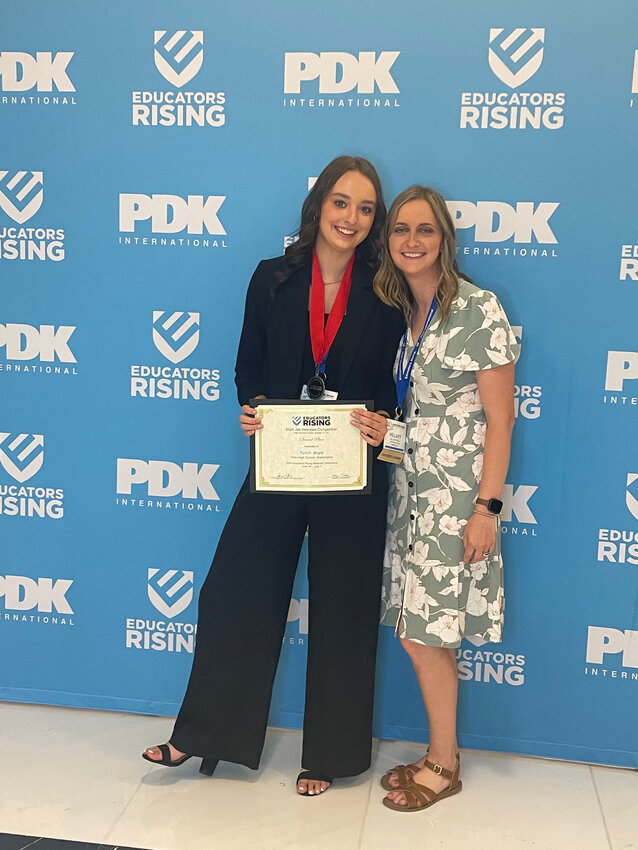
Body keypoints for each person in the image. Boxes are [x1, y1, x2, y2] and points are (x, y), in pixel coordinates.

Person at [142, 156, 405, 796]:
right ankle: (200, 736)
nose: (352, 218)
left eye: (366, 208)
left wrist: (386, 422)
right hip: (281, 459)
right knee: (234, 590)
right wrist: (254, 410)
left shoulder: (389, 287)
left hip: (354, 468)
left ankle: (329, 756)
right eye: (342, 203)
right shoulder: (271, 278)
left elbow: (404, 377)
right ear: (319, 206)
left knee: (343, 608)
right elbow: (247, 366)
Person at [373, 186, 520, 812]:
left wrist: (487, 509)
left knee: (427, 635)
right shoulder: (401, 309)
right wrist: (391, 436)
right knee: (420, 630)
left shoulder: (479, 308)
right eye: (401, 229)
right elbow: (428, 415)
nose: (412, 241)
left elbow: (499, 421)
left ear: (445, 239)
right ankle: (442, 754)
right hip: (411, 497)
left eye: (425, 230)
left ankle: (444, 762)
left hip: (457, 502)